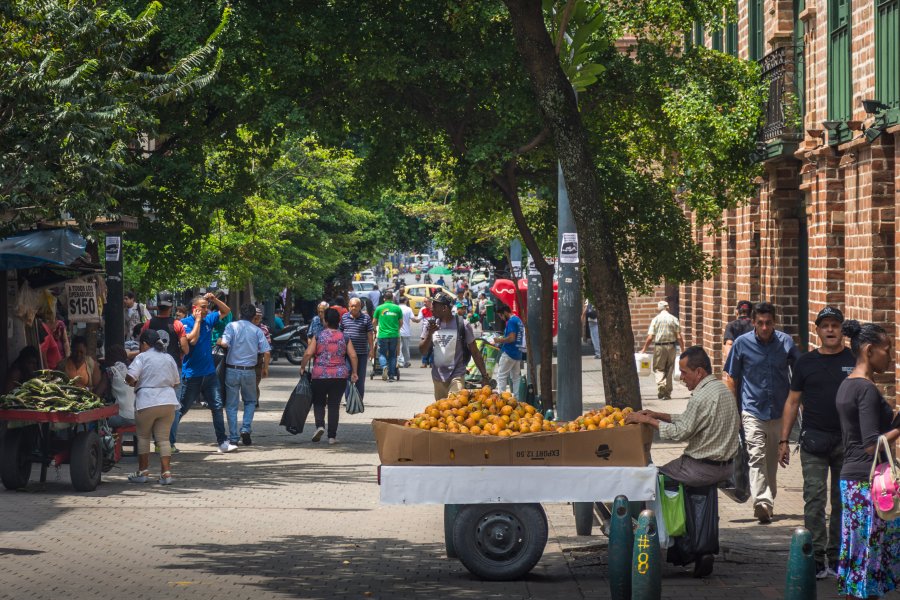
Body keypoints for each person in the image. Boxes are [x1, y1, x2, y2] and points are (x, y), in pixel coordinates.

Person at [626, 345, 740, 578]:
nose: (681, 377)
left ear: (698, 372)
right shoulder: (720, 389)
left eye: (685, 372)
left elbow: (680, 432)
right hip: (725, 466)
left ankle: (661, 539)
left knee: (652, 478)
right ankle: (698, 547)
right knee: (670, 477)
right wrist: (659, 415)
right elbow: (692, 419)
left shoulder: (700, 395)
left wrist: (645, 421)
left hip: (700, 467)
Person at [778, 306, 854, 579]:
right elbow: (792, 401)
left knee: (843, 501)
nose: (830, 330)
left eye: (835, 325)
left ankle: (837, 556)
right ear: (817, 330)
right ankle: (816, 557)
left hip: (848, 443)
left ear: (842, 329)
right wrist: (784, 440)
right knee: (814, 499)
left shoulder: (855, 359)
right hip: (813, 441)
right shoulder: (805, 362)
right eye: (825, 326)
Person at [833, 320, 899, 598]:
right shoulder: (867, 390)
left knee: (858, 554)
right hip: (867, 484)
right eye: (888, 349)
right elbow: (872, 445)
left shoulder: (847, 385)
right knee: (869, 555)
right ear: (869, 350)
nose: (892, 356)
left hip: (852, 480)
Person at [724, 301, 801, 524]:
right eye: (760, 323)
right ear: (754, 323)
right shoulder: (742, 344)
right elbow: (731, 378)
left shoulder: (785, 342)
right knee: (756, 456)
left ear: (774, 322)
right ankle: (762, 502)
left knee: (770, 461)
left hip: (778, 411)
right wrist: (734, 412)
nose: (765, 328)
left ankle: (768, 499)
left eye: (768, 323)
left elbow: (799, 374)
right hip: (752, 409)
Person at [169, 292, 234, 454]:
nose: (206, 310)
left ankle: (222, 441)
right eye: (203, 307)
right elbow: (192, 341)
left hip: (209, 373)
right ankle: (168, 441)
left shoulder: (209, 319)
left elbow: (226, 311)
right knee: (182, 408)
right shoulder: (184, 323)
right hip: (191, 375)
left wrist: (214, 299)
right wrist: (197, 321)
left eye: (207, 307)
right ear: (194, 309)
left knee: (217, 407)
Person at [125, 330, 181, 485]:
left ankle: (143, 472)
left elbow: (130, 378)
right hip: (168, 401)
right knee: (163, 439)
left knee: (143, 437)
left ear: (144, 343)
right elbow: (176, 382)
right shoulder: (168, 358)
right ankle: (166, 474)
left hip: (147, 401)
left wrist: (132, 383)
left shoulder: (141, 357)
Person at [300, 308, 359, 444]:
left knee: (319, 402)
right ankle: (332, 437)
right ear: (338, 321)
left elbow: (308, 353)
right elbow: (353, 355)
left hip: (319, 375)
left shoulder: (319, 336)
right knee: (334, 405)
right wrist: (354, 372)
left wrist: (303, 366)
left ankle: (320, 426)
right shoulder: (344, 337)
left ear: (325, 321)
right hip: (339, 376)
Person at [420, 291, 489, 400]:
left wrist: (484, 376)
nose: (432, 308)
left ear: (444, 308)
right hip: (438, 377)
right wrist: (430, 335)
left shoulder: (463, 324)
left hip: (457, 375)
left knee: (454, 406)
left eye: (435, 305)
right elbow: (423, 351)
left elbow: (474, 351)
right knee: (441, 412)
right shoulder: (431, 324)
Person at [219, 303, 271, 447]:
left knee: (231, 405)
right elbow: (266, 350)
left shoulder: (231, 326)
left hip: (232, 370)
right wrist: (265, 368)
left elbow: (224, 343)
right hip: (249, 371)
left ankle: (234, 437)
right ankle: (246, 428)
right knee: (250, 402)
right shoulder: (257, 331)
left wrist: (219, 341)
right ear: (254, 316)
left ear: (240, 313)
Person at [639, 300, 684, 400]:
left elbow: (650, 337)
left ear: (659, 308)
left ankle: (661, 385)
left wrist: (644, 349)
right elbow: (679, 336)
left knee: (658, 368)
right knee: (669, 368)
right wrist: (682, 349)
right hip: (672, 346)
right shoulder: (674, 319)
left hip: (659, 347)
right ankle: (667, 393)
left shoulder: (656, 319)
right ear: (667, 308)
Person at [141, 292, 188, 368]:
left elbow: (142, 349)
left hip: (152, 367)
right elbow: (185, 349)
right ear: (171, 306)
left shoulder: (148, 324)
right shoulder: (177, 324)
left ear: (158, 306)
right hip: (173, 367)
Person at [341, 298, 375, 399]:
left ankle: (359, 399)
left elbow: (369, 334)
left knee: (360, 377)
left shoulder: (366, 318)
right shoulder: (344, 317)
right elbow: (340, 332)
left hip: (361, 353)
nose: (354, 308)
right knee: (347, 375)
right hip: (347, 353)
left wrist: (372, 350)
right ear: (348, 307)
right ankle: (348, 398)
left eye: (356, 306)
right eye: (352, 306)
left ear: (360, 307)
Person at [493, 303, 524, 394]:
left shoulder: (511, 321)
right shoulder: (518, 320)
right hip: (518, 352)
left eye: (501, 315)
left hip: (509, 352)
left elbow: (511, 338)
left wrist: (499, 340)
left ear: (505, 312)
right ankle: (517, 399)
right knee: (516, 378)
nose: (501, 318)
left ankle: (501, 399)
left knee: (501, 376)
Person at [104, 345, 135, 428]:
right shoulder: (131, 369)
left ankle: (107, 440)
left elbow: (98, 392)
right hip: (139, 415)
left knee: (101, 420)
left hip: (124, 417)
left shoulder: (110, 371)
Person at [373, 291, 402, 382]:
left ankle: (384, 366)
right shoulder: (397, 308)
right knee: (393, 355)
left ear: (384, 299)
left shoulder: (379, 308)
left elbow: (374, 322)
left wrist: (375, 329)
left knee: (382, 353)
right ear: (392, 299)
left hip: (382, 335)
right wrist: (396, 329)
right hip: (394, 335)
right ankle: (391, 375)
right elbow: (401, 323)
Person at [397, 296, 418, 368]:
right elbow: (413, 319)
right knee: (405, 348)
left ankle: (400, 361)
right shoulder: (408, 309)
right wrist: (419, 319)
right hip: (406, 331)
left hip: (397, 331)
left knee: (399, 347)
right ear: (405, 301)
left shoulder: (396, 308)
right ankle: (406, 361)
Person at [419, 298, 434, 368]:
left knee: (433, 347)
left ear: (430, 302)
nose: (424, 303)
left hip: (434, 330)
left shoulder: (434, 308)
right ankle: (424, 362)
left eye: (426, 302)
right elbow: (419, 318)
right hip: (425, 331)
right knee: (425, 346)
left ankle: (431, 362)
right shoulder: (423, 309)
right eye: (423, 302)